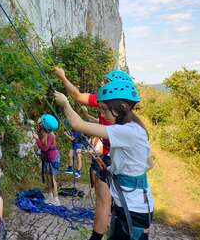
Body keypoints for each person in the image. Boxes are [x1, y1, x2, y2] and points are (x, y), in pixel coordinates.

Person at [55, 80, 154, 240]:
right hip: (128, 205)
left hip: (133, 210)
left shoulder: (128, 131)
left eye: (104, 109)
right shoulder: (132, 129)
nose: (101, 114)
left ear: (121, 108)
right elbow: (148, 164)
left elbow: (77, 124)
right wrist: (112, 170)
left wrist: (65, 104)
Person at [34, 114, 61, 206]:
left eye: (40, 122)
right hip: (47, 159)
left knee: (52, 178)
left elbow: (45, 148)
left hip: (53, 159)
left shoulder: (50, 136)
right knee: (48, 177)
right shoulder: (44, 134)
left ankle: (56, 199)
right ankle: (50, 196)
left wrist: (37, 140)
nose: (38, 124)